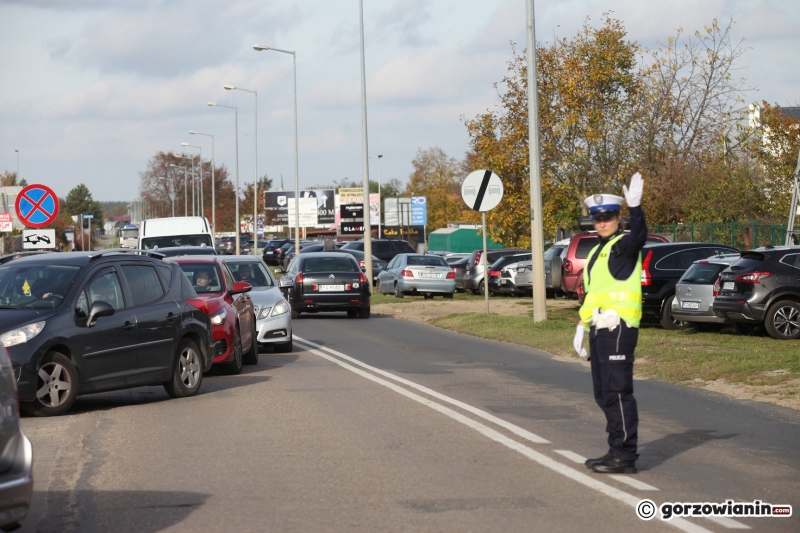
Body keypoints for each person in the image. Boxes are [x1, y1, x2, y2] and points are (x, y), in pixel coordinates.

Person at [574, 173, 646, 475]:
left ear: (618, 218)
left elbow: (639, 236)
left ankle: (624, 455)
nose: (602, 223)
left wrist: (636, 209)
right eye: (597, 218)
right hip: (600, 328)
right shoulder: (596, 252)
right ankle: (616, 448)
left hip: (619, 327)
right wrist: (582, 324)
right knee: (603, 393)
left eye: (607, 217)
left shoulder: (623, 246)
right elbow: (594, 293)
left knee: (617, 391)